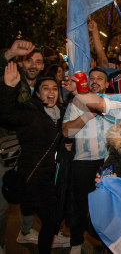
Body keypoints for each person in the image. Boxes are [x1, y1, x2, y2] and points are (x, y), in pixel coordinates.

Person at [0, 62, 70, 253]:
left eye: (55, 88)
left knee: (53, 218)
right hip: (31, 178)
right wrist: (8, 88)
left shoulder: (60, 115)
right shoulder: (30, 113)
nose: (51, 92)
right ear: (37, 94)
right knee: (50, 218)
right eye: (45, 88)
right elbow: (6, 115)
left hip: (49, 179)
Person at [62, 68, 113, 254]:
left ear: (107, 84)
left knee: (105, 206)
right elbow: (66, 131)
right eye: (91, 78)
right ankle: (76, 243)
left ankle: (103, 243)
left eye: (100, 78)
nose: (95, 81)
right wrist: (87, 115)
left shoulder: (112, 104)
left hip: (107, 164)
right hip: (82, 163)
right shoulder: (76, 103)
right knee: (80, 205)